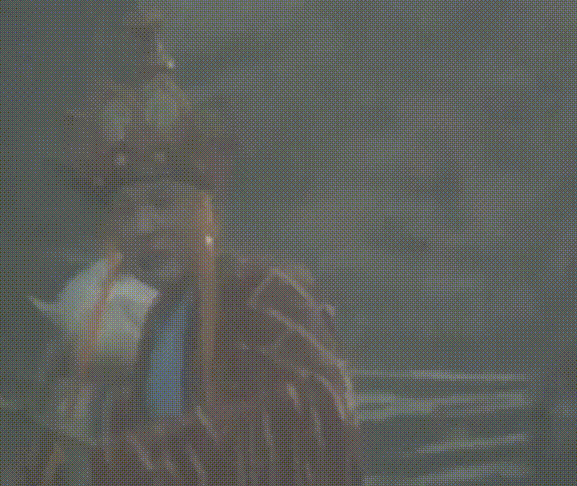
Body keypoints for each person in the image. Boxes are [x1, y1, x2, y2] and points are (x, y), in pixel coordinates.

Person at [26, 9, 363, 485]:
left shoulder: (265, 291)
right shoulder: (161, 319)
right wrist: (81, 422)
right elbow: (144, 427)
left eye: (162, 204)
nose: (143, 228)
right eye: (126, 213)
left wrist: (134, 453)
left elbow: (310, 412)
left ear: (205, 211)